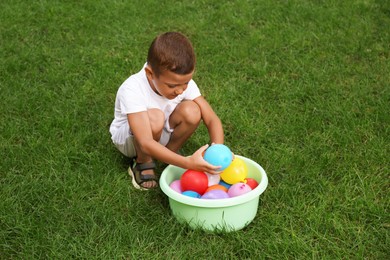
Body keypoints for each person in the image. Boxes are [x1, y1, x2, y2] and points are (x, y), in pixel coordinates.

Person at [109, 32, 225, 190]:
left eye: (186, 83)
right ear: (150, 74)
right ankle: (143, 162)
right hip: (132, 140)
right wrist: (187, 163)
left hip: (159, 131)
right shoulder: (132, 88)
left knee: (192, 110)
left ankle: (168, 156)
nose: (180, 90)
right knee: (155, 117)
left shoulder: (181, 82)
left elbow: (211, 119)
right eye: (172, 86)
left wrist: (219, 152)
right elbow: (145, 142)